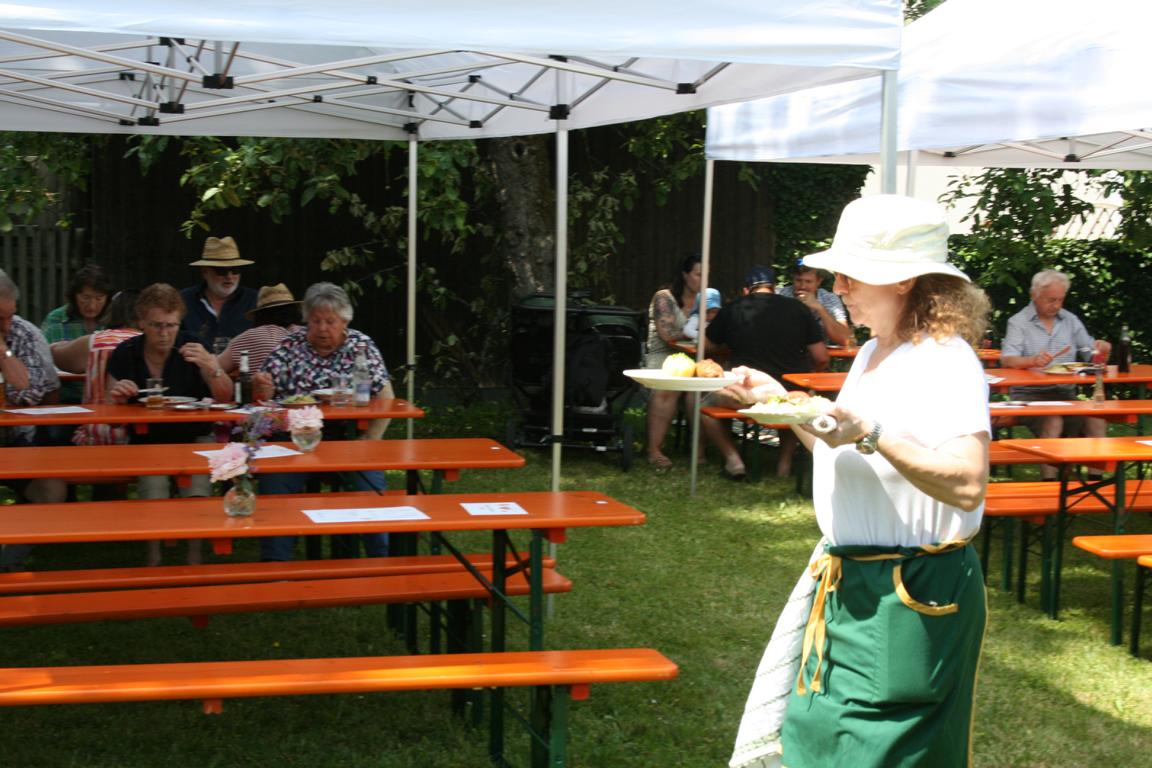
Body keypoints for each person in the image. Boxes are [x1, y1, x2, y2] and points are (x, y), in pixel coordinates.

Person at [728, 195, 990, 768]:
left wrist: (873, 432)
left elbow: (968, 483)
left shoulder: (946, 359)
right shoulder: (873, 350)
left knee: (881, 751)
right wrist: (779, 399)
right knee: (815, 740)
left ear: (903, 281)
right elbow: (840, 446)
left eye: (851, 274)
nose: (838, 286)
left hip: (910, 589)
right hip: (851, 584)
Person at [252, 282, 395, 561]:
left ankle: (381, 562)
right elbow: (262, 396)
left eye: (330, 321)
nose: (322, 329)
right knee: (274, 482)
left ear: (345, 321)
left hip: (348, 442)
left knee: (370, 486)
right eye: (315, 321)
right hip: (295, 444)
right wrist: (262, 389)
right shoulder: (289, 346)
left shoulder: (361, 347)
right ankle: (276, 569)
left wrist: (370, 440)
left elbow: (386, 397)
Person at [106, 283, 234, 566]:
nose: (164, 333)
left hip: (194, 435)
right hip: (147, 439)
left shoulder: (193, 347)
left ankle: (193, 556)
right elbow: (108, 411)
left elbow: (225, 397)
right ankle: (154, 558)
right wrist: (118, 396)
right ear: (141, 322)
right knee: (153, 487)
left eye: (171, 325)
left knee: (197, 486)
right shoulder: (126, 352)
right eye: (156, 326)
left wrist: (211, 366)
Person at [702, 265, 828, 479]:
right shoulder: (798, 308)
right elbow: (821, 357)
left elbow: (705, 345)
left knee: (704, 405)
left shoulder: (733, 308)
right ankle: (784, 465)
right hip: (789, 393)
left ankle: (734, 460)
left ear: (746, 290)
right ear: (774, 288)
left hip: (745, 392)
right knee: (794, 405)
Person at [1000, 269, 1112, 478]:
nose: (1056, 305)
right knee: (1053, 420)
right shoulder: (1019, 322)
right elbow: (1008, 359)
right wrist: (1031, 361)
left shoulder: (1070, 320)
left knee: (1096, 418)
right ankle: (1049, 485)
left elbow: (1090, 353)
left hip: (1065, 394)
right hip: (1029, 396)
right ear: (1034, 295)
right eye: (1051, 300)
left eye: (1060, 299)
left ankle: (1094, 484)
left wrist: (1101, 351)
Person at [0, 269, 66, 571]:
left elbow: (28, 392)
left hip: (18, 441)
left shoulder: (25, 334)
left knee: (52, 491)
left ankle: (6, 561)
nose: (7, 325)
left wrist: (3, 351)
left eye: (10, 315)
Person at [50, 289, 142, 446]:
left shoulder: (94, 341)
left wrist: (61, 344)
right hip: (137, 437)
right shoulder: (147, 344)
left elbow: (58, 357)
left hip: (94, 435)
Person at [644, 253, 705, 468]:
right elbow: (667, 334)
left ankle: (699, 451)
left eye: (707, 275)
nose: (704, 280)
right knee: (669, 387)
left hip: (695, 358)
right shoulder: (664, 297)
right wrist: (697, 334)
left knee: (700, 389)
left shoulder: (707, 301)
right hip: (664, 356)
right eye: (699, 274)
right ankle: (654, 450)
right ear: (685, 275)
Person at [43, 263, 113, 404]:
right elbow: (41, 361)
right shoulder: (56, 319)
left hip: (105, 399)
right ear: (74, 295)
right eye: (85, 297)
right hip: (64, 399)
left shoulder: (114, 319)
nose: (92, 305)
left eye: (99, 298)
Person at [179, 235, 258, 346]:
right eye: (221, 271)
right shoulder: (183, 301)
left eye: (235, 270)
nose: (229, 277)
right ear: (205, 272)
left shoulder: (254, 301)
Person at [216, 283, 302, 377]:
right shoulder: (306, 333)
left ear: (259, 315)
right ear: (295, 311)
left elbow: (215, 368)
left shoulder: (251, 336)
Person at [776, 263, 852, 346]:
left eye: (808, 282)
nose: (803, 286)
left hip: (819, 352)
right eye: (798, 280)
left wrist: (820, 308)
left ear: (818, 282)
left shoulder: (829, 299)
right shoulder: (781, 295)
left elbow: (846, 340)